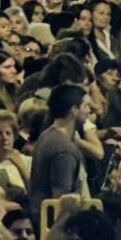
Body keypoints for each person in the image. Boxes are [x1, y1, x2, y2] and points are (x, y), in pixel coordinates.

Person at [28, 84, 89, 216]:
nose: (89, 111)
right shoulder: (63, 148)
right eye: (86, 106)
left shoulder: (47, 135)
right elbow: (61, 201)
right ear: (74, 110)